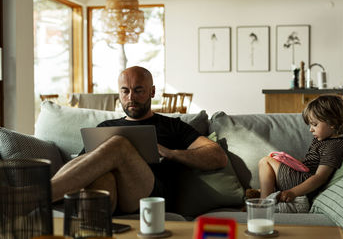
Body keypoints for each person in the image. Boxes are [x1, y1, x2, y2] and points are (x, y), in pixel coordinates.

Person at [51, 66, 228, 213]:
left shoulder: (173, 126)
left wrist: (172, 153)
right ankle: (94, 228)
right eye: (125, 91)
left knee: (118, 144)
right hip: (109, 198)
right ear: (119, 94)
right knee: (102, 177)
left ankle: (39, 195)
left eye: (138, 90)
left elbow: (218, 156)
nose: (131, 98)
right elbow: (81, 165)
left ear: (152, 92)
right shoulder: (105, 127)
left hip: (151, 197)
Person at [255, 95, 343, 202]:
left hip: (305, 184)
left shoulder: (334, 146)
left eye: (315, 124)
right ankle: (268, 194)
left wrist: (293, 192)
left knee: (265, 162)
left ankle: (264, 203)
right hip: (302, 178)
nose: (311, 129)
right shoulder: (322, 140)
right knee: (273, 160)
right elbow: (311, 163)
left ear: (332, 122)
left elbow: (320, 177)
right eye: (310, 125)